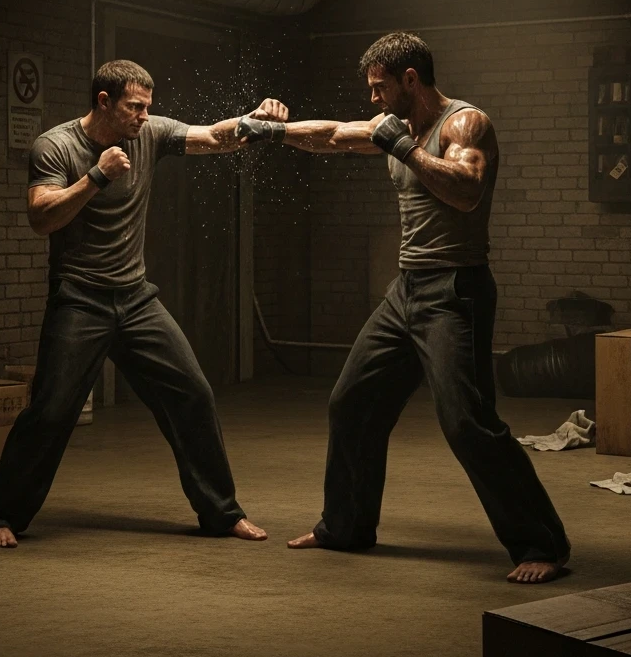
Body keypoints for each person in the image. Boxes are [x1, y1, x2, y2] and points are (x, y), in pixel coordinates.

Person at [236, 31, 570, 584]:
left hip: (455, 291)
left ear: (409, 79)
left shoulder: (464, 124)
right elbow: (334, 135)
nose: (372, 101)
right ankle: (345, 526)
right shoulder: (400, 128)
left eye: (378, 89)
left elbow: (466, 189)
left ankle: (543, 544)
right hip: (407, 290)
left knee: (467, 423)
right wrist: (273, 132)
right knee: (351, 402)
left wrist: (406, 149)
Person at [0, 59, 288, 548]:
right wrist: (95, 178)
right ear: (104, 102)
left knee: (193, 394)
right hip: (79, 299)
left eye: (148, 107)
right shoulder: (56, 146)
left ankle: (221, 513)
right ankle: (1, 515)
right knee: (52, 411)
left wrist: (255, 121)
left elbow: (212, 136)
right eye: (135, 107)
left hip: (136, 297)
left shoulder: (151, 133)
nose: (144, 116)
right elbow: (40, 218)